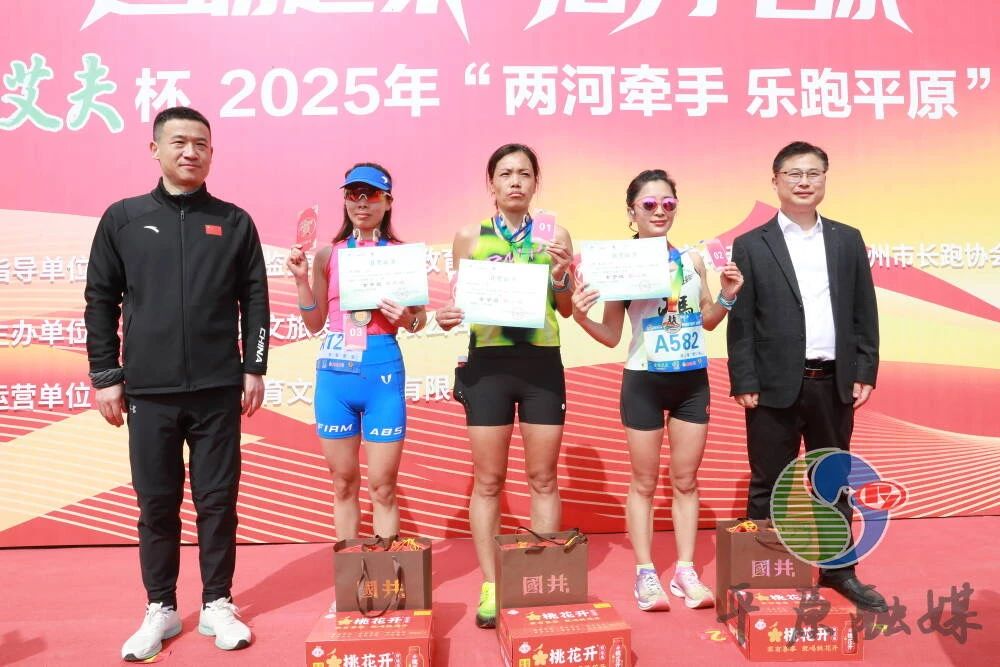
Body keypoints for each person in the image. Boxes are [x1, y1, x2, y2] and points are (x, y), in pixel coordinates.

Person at [85, 106, 268, 661]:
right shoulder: (123, 218)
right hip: (149, 391)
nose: (191, 152)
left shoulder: (234, 221)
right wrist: (106, 373)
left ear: (212, 152)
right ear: (156, 149)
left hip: (217, 389)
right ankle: (160, 606)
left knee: (218, 501)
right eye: (180, 142)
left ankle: (217, 602)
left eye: (201, 144)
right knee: (157, 503)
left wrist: (254, 366)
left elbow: (255, 298)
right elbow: (100, 299)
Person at [571, 169, 743, 612]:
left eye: (668, 203)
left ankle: (685, 571)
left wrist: (727, 296)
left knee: (685, 480)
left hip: (691, 381)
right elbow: (611, 334)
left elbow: (707, 319)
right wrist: (580, 316)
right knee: (644, 481)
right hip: (644, 381)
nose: (660, 211)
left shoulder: (693, 260)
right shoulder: (621, 265)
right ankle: (646, 573)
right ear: (632, 212)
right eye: (649, 204)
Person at [726, 141, 887, 612]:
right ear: (775, 180)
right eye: (793, 173)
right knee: (768, 483)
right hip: (772, 385)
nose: (803, 182)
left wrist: (865, 368)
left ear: (824, 180)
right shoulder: (752, 244)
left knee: (832, 483)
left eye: (813, 173)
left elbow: (863, 310)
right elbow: (742, 319)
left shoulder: (846, 239)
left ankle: (840, 571)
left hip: (831, 382)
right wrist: (744, 378)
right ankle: (758, 573)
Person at [436, 144, 574, 628]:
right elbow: (457, 306)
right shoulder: (468, 237)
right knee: (489, 480)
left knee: (544, 478)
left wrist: (562, 275)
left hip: (541, 364)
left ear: (536, 183)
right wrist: (447, 316)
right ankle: (493, 582)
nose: (515, 181)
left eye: (524, 174)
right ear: (490, 184)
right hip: (488, 366)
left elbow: (565, 308)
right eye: (505, 173)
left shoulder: (555, 235)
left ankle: (537, 577)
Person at [286, 162, 426, 544]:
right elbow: (315, 324)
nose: (361, 202)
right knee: (343, 484)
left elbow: (419, 321)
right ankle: (349, 570)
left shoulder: (400, 255)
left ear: (388, 201)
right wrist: (301, 282)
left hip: (382, 376)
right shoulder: (327, 255)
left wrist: (406, 319)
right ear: (345, 200)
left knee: (383, 486)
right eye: (353, 194)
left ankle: (389, 571)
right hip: (336, 377)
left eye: (371, 194)